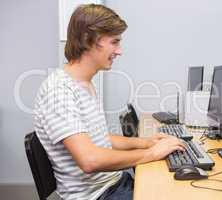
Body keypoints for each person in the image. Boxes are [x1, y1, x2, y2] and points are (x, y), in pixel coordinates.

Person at [34, 4, 185, 200]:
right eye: (114, 42)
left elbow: (100, 139)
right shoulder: (59, 91)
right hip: (98, 196)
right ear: (89, 40)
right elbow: (89, 160)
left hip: (113, 184)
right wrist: (151, 153)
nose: (119, 51)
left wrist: (146, 142)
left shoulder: (84, 84)